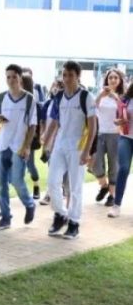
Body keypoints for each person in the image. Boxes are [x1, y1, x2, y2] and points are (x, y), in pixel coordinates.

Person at [43, 61, 97, 239]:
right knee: (52, 182)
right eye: (64, 75)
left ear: (78, 76)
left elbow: (93, 126)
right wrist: (47, 140)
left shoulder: (86, 97)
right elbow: (56, 121)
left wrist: (87, 151)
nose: (66, 79)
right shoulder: (58, 96)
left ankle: (74, 222)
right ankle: (61, 214)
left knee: (75, 187)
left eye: (70, 75)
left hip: (77, 147)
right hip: (60, 145)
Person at [0, 64, 37, 230]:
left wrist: (26, 146)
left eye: (14, 77)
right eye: (8, 77)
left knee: (17, 180)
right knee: (2, 184)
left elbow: (32, 126)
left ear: (20, 78)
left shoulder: (29, 99)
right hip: (2, 144)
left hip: (19, 146)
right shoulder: (2, 97)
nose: (11, 80)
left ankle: (29, 204)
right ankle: (5, 218)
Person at [93, 68, 124, 207]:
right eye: (110, 77)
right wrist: (101, 95)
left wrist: (115, 97)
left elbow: (124, 111)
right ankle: (104, 186)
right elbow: (92, 108)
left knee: (113, 166)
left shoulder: (122, 96)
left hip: (115, 134)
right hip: (100, 133)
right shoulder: (101, 94)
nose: (112, 80)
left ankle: (112, 195)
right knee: (95, 164)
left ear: (120, 80)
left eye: (115, 78)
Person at [110, 80, 133, 217]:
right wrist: (119, 121)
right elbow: (116, 119)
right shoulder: (126, 98)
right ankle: (116, 205)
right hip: (126, 137)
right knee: (123, 168)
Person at [21, 72, 42, 200]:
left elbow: (37, 123)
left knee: (30, 164)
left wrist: (33, 138)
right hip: (16, 138)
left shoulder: (33, 103)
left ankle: (36, 186)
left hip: (30, 138)